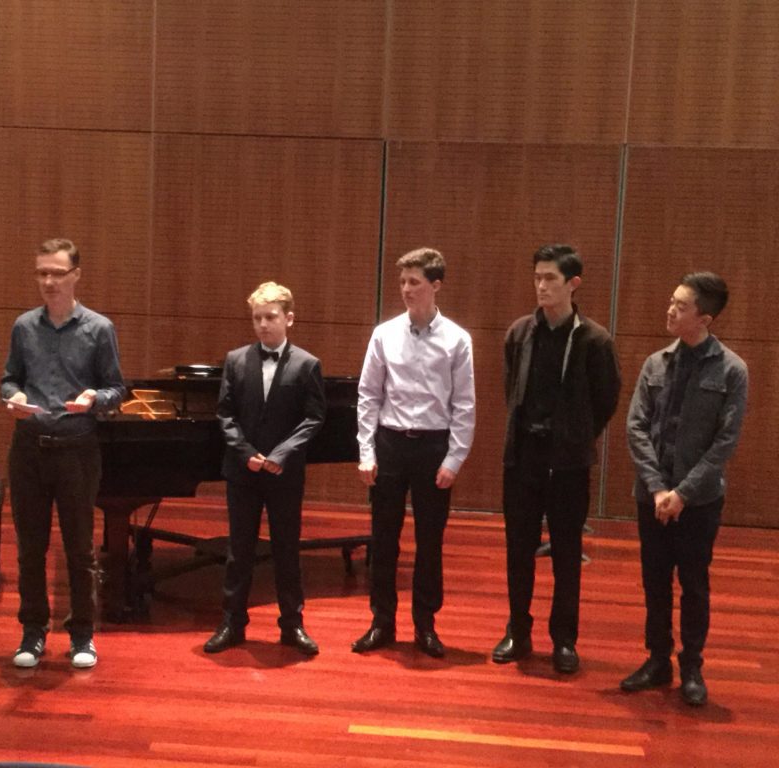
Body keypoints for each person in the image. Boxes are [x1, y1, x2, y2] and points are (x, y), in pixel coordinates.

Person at [492, 244, 621, 674]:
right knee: (518, 549)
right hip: (523, 457)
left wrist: (574, 435)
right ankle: (518, 630)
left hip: (568, 462)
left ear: (573, 284)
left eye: (550, 278)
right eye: (538, 278)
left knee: (567, 553)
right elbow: (511, 392)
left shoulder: (594, 340)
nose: (541, 286)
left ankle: (564, 639)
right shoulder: (519, 333)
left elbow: (605, 400)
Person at [621, 272, 748, 706]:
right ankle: (657, 659)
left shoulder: (732, 370)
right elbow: (636, 427)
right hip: (652, 497)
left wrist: (683, 494)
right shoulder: (655, 363)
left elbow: (725, 443)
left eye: (681, 305)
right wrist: (658, 489)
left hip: (699, 502)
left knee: (693, 583)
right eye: (672, 301)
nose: (670, 310)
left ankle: (691, 666)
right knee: (654, 581)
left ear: (705, 318)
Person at [0, 238, 125, 669]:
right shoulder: (24, 327)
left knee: (79, 549)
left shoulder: (99, 328)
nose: (48, 281)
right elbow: (9, 379)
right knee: (30, 548)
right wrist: (14, 396)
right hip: (28, 449)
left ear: (75, 275)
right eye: (42, 273)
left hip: (77, 450)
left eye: (57, 273)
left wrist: (94, 398)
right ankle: (32, 632)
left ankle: (82, 635)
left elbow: (116, 389)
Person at [352, 247, 476, 658]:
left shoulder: (457, 339)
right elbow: (369, 396)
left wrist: (454, 459)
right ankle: (381, 622)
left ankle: (425, 624)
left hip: (433, 446)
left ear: (435, 285)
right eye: (402, 282)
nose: (406, 289)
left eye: (414, 282)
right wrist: (367, 451)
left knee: (430, 541)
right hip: (390, 443)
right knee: (383, 538)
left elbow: (464, 404)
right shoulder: (384, 334)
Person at [203, 282, 326, 656]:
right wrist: (246, 453)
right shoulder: (236, 359)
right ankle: (232, 623)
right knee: (239, 551)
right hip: (243, 471)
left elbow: (313, 417)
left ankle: (292, 625)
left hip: (283, 473)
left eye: (270, 317)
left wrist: (281, 454)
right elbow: (225, 415)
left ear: (289, 319)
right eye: (257, 318)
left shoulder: (307, 364)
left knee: (286, 550)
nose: (262, 324)